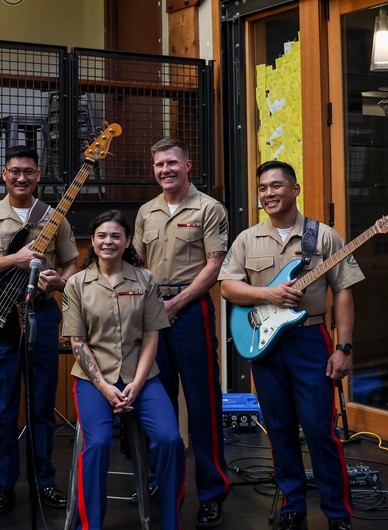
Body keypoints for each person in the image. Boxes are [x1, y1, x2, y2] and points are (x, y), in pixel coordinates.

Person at [219, 160, 363, 530]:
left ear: (295, 190)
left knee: (319, 429)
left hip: (310, 339)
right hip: (264, 344)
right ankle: (292, 506)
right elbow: (228, 286)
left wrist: (343, 348)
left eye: (276, 186)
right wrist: (267, 293)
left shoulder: (323, 236)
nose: (269, 193)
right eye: (263, 188)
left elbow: (343, 292)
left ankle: (337, 513)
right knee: (280, 428)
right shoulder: (247, 239)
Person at [0, 146, 78, 515]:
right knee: (4, 409)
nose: (21, 178)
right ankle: (3, 486)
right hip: (2, 321)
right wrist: (14, 259)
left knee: (42, 408)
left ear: (38, 175)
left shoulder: (55, 216)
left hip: (41, 317)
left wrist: (58, 281)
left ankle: (45, 483)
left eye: (28, 171)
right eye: (15, 171)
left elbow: (73, 264)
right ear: (4, 175)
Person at [63, 210, 185, 530]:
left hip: (141, 378)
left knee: (171, 439)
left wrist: (137, 383)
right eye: (102, 235)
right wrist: (104, 386)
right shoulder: (77, 283)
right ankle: (89, 526)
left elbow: (151, 335)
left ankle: (171, 521)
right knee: (99, 443)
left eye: (116, 236)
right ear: (92, 240)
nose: (109, 241)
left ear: (128, 241)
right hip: (93, 381)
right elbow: (77, 342)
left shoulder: (145, 279)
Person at [133, 137, 231, 527]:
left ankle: (212, 491)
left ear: (188, 165)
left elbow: (214, 265)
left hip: (191, 313)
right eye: (159, 165)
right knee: (159, 404)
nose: (165, 170)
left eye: (172, 163)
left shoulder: (209, 208)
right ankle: (165, 480)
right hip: (151, 313)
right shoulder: (145, 212)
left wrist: (176, 303)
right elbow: (137, 263)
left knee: (203, 404)